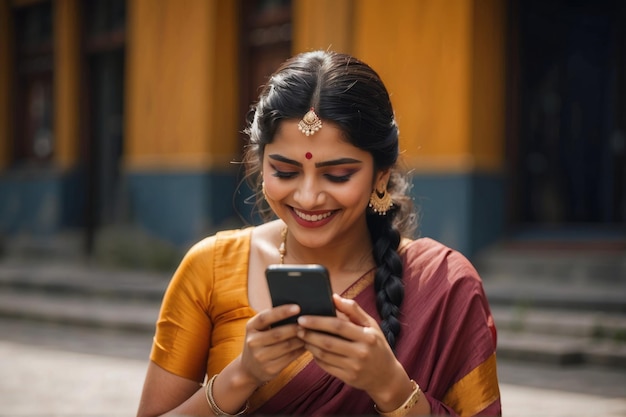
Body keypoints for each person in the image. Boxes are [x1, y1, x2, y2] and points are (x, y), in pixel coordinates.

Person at [137, 50, 501, 417]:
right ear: (261, 164)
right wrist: (242, 376)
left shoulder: (445, 284)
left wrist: (390, 386)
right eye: (285, 171)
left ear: (381, 175)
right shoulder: (211, 268)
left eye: (338, 175)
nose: (308, 197)